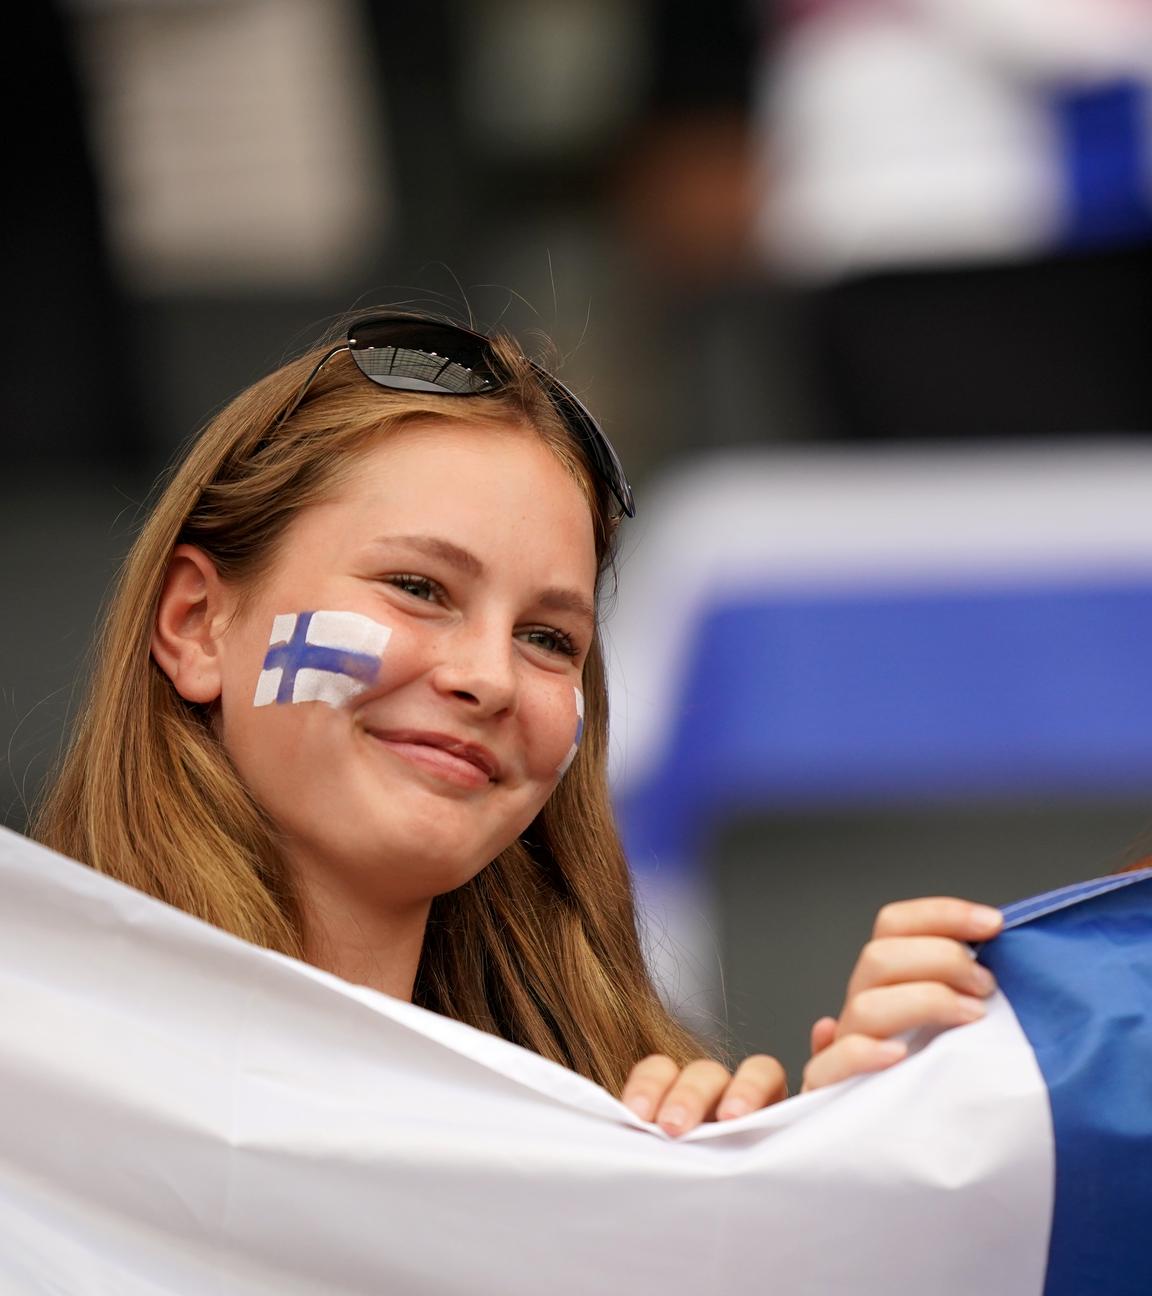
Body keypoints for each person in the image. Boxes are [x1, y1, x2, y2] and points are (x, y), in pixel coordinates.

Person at [31, 311, 1003, 1135]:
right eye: (417, 587)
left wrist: (815, 1189)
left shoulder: (630, 1131)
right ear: (198, 625)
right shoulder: (34, 1072)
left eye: (548, 638)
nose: (490, 678)